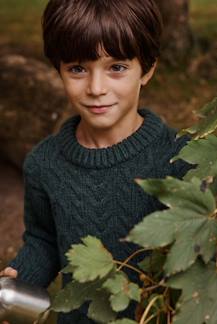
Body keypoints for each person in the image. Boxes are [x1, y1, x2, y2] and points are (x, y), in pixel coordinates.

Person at [0, 0, 191, 322]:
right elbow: (44, 238)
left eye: (116, 67)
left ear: (147, 69)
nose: (96, 88)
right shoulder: (44, 164)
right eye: (77, 69)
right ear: (57, 68)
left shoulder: (180, 157)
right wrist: (20, 279)